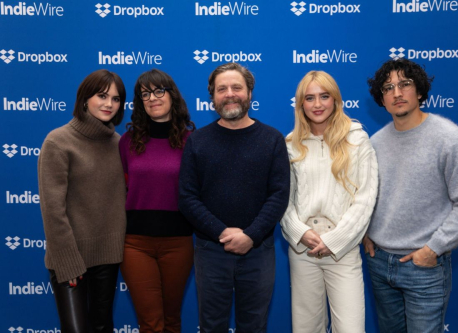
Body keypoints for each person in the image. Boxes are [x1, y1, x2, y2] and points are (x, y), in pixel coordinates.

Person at [364, 58, 458, 333]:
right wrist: (366, 231)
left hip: (424, 269)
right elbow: (368, 195)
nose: (396, 93)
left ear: (419, 91)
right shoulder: (374, 144)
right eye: (388, 87)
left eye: (404, 84)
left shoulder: (450, 139)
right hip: (380, 265)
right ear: (381, 99)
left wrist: (433, 249)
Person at [178, 62, 290, 333]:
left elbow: (278, 195)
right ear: (212, 98)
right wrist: (222, 232)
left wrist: (250, 235)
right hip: (210, 250)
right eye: (221, 89)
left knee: (253, 326)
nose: (229, 94)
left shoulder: (272, 139)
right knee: (212, 327)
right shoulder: (197, 141)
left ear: (250, 93)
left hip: (258, 249)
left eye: (236, 87)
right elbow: (187, 197)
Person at [280, 71, 378, 333]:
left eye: (324, 96)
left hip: (342, 252)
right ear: (301, 104)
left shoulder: (357, 140)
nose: (318, 104)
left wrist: (334, 240)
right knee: (306, 329)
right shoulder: (290, 145)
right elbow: (282, 200)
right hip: (303, 250)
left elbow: (365, 198)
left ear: (335, 100)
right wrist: (301, 233)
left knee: (350, 329)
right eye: (310, 98)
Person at [38, 69, 127, 333]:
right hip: (70, 258)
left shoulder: (118, 143)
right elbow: (53, 210)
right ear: (84, 98)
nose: (109, 104)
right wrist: (68, 261)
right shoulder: (58, 141)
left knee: (102, 327)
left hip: (108, 259)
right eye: (101, 96)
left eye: (116, 98)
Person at [119, 69, 195, 333]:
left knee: (172, 320)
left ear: (172, 95)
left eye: (158, 91)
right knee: (151, 323)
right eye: (145, 94)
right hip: (135, 244)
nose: (152, 98)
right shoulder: (127, 142)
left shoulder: (192, 142)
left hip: (179, 242)